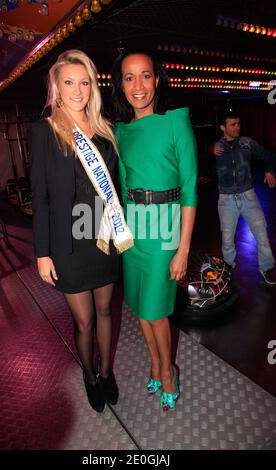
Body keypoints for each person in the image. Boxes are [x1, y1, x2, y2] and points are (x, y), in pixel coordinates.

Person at [30, 49, 124, 413]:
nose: (78, 90)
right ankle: (89, 374)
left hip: (102, 237)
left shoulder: (105, 131)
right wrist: (42, 252)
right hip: (67, 245)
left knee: (105, 312)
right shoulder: (45, 131)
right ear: (56, 86)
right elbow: (40, 197)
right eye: (69, 82)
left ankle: (107, 370)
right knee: (83, 320)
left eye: (84, 82)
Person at [111, 49, 198, 411]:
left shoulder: (176, 122)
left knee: (155, 311)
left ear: (157, 79)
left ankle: (168, 374)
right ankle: (155, 363)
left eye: (145, 75)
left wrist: (183, 249)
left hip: (166, 229)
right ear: (121, 84)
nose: (138, 85)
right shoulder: (121, 130)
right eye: (129, 77)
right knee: (139, 309)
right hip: (136, 230)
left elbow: (190, 188)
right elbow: (123, 185)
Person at [213, 111, 276, 285]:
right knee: (227, 238)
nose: (237, 127)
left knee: (261, 233)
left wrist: (270, 170)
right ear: (223, 127)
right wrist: (210, 149)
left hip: (248, 196)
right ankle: (228, 269)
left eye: (238, 123)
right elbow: (191, 153)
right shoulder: (217, 147)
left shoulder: (247, 143)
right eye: (233, 124)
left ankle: (267, 267)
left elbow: (270, 155)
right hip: (226, 199)